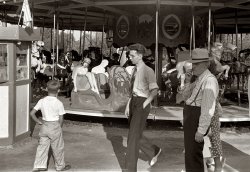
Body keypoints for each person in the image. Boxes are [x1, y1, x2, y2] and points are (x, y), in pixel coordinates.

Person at [124, 43, 161, 172]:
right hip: (134, 101)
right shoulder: (134, 70)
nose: (130, 57)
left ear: (140, 56)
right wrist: (128, 105)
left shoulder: (148, 70)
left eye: (132, 55)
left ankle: (129, 169)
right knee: (136, 135)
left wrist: (146, 103)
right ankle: (153, 151)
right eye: (129, 55)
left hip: (142, 102)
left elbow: (155, 90)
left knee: (132, 138)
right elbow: (132, 90)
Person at [182, 48, 219, 172]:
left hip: (195, 118)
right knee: (190, 155)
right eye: (193, 63)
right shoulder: (199, 78)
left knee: (193, 156)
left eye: (196, 64)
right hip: (191, 116)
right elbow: (184, 96)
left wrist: (201, 130)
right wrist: (187, 81)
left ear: (206, 64)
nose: (193, 67)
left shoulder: (209, 80)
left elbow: (208, 108)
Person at [30, 80, 71, 172]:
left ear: (46, 89)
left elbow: (32, 113)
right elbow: (61, 118)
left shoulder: (41, 101)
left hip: (44, 126)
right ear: (58, 90)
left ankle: (39, 166)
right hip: (55, 126)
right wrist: (59, 127)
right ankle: (60, 166)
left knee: (42, 147)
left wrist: (38, 122)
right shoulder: (59, 103)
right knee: (57, 147)